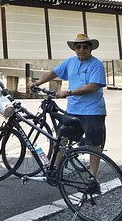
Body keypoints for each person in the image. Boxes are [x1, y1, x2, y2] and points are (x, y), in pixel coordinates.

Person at [27, 33, 107, 175]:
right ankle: (55, 170)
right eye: (78, 47)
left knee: (94, 145)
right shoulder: (70, 62)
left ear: (91, 49)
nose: (81, 50)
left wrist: (68, 93)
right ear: (74, 49)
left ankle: (93, 177)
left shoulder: (97, 64)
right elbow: (53, 73)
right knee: (61, 138)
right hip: (73, 109)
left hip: (92, 111)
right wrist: (37, 82)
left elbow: (93, 86)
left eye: (85, 47)